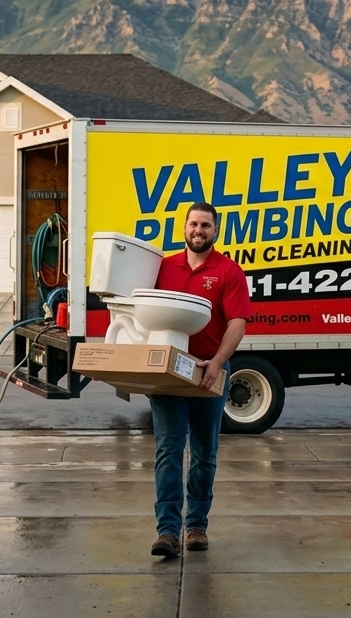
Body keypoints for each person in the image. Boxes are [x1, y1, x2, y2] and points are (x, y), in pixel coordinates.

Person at [148, 201, 250, 559]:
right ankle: (167, 532)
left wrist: (216, 363)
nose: (198, 230)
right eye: (193, 224)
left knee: (205, 455)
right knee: (168, 453)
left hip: (210, 374)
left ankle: (196, 527)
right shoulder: (162, 268)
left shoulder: (228, 271)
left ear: (216, 230)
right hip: (169, 376)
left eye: (206, 225)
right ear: (184, 228)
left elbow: (237, 322)